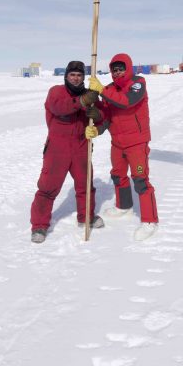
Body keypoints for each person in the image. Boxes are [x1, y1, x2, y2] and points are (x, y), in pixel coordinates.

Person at [29, 60, 105, 243]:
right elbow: (58, 107)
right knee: (48, 187)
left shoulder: (90, 95)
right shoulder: (56, 92)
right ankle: (39, 225)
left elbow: (102, 117)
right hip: (57, 148)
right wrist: (82, 101)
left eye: (79, 75)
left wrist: (97, 117)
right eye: (72, 75)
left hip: (81, 145)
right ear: (66, 76)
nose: (76, 78)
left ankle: (86, 217)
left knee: (86, 185)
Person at [88, 52, 159, 241]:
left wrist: (102, 90)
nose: (117, 72)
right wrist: (97, 129)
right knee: (118, 175)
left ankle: (150, 220)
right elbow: (107, 117)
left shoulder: (138, 83)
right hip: (117, 143)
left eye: (121, 69)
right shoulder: (110, 89)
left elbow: (127, 102)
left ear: (128, 68)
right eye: (114, 70)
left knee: (140, 180)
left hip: (136, 143)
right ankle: (124, 206)